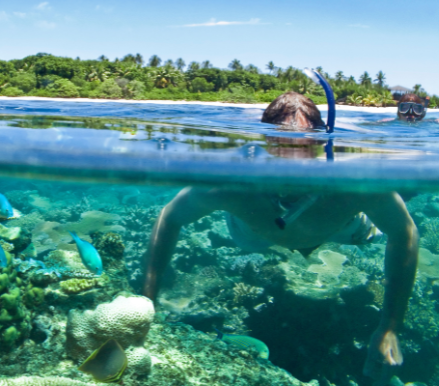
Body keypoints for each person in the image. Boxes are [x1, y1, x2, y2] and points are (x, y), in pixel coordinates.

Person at [142, 87, 419, 379]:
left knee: (375, 227)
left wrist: (390, 326)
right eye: (280, 147)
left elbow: (405, 234)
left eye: (303, 146)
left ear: (321, 143)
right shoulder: (231, 184)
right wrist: (147, 300)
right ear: (265, 143)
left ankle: (404, 194)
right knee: (245, 233)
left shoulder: (355, 183)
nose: (293, 163)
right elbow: (170, 217)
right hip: (253, 233)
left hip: (340, 227)